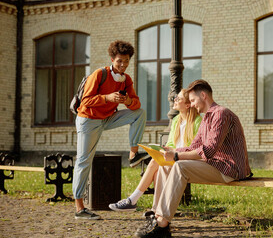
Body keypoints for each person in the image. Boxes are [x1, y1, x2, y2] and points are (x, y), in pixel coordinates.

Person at [134, 79, 252, 237]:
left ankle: (162, 224)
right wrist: (171, 151)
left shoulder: (221, 114)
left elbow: (208, 151)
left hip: (230, 169)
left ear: (203, 95)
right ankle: (157, 217)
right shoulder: (206, 118)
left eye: (193, 100)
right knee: (165, 165)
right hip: (215, 165)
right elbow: (194, 146)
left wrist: (176, 156)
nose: (192, 104)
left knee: (180, 166)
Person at [73, 40, 147, 220]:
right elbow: (85, 101)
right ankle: (79, 208)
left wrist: (127, 101)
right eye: (119, 61)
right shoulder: (100, 74)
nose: (123, 65)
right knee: (84, 161)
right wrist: (107, 98)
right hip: (88, 120)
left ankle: (133, 154)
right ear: (112, 59)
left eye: (127, 61)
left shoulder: (126, 80)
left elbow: (135, 104)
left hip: (106, 119)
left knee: (139, 113)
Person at [109, 89, 202, 211]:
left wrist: (174, 151)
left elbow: (194, 148)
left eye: (178, 99)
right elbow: (170, 143)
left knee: (154, 163)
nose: (175, 100)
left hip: (185, 159)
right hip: (173, 157)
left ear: (187, 104)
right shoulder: (176, 120)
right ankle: (155, 210)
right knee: (158, 170)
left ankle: (132, 200)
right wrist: (163, 149)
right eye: (175, 97)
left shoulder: (197, 121)